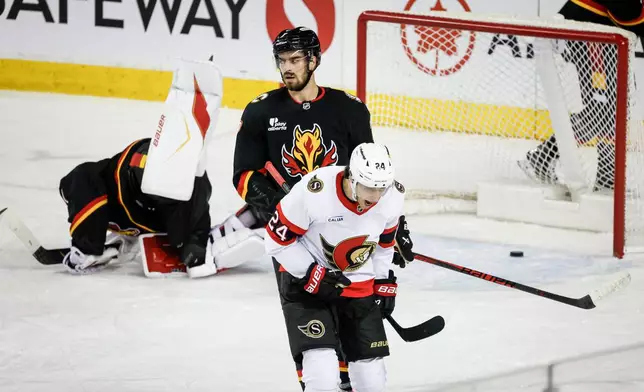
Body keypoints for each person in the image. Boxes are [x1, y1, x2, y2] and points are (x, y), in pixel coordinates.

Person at [209, 26, 414, 391]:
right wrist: (278, 207)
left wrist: (395, 228)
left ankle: (349, 377)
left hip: (344, 224)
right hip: (295, 229)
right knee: (306, 307)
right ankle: (318, 381)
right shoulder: (261, 111)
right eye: (281, 61)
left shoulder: (348, 109)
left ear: (314, 60)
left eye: (295, 59)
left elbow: (369, 170)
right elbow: (244, 175)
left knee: (351, 306)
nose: (287, 68)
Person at [266, 142, 406, 392]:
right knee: (322, 376)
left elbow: (385, 244)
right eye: (368, 188)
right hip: (307, 287)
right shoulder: (314, 191)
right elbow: (275, 241)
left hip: (358, 286)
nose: (374, 197)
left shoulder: (393, 195)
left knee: (372, 381)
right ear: (352, 178)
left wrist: (383, 281)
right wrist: (311, 272)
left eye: (381, 188)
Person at [519, 0, 644, 191]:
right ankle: (602, 175)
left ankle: (546, 157)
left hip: (600, 29)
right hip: (589, 25)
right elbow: (625, 10)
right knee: (609, 105)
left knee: (614, 103)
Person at [58, 138, 215, 278]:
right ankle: (90, 245)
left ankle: (102, 241)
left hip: (153, 209)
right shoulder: (95, 180)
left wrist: (197, 240)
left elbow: (197, 194)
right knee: (85, 185)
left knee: (181, 235)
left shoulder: (188, 187)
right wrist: (87, 244)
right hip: (120, 193)